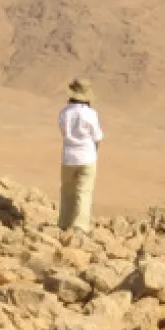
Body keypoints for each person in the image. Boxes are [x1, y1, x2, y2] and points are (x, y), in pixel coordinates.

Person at [57, 78, 104, 232]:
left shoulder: (64, 113)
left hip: (68, 157)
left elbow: (63, 133)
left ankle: (64, 223)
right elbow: (97, 137)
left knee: (67, 191)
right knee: (84, 192)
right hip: (87, 157)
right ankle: (80, 227)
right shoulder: (91, 114)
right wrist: (94, 151)